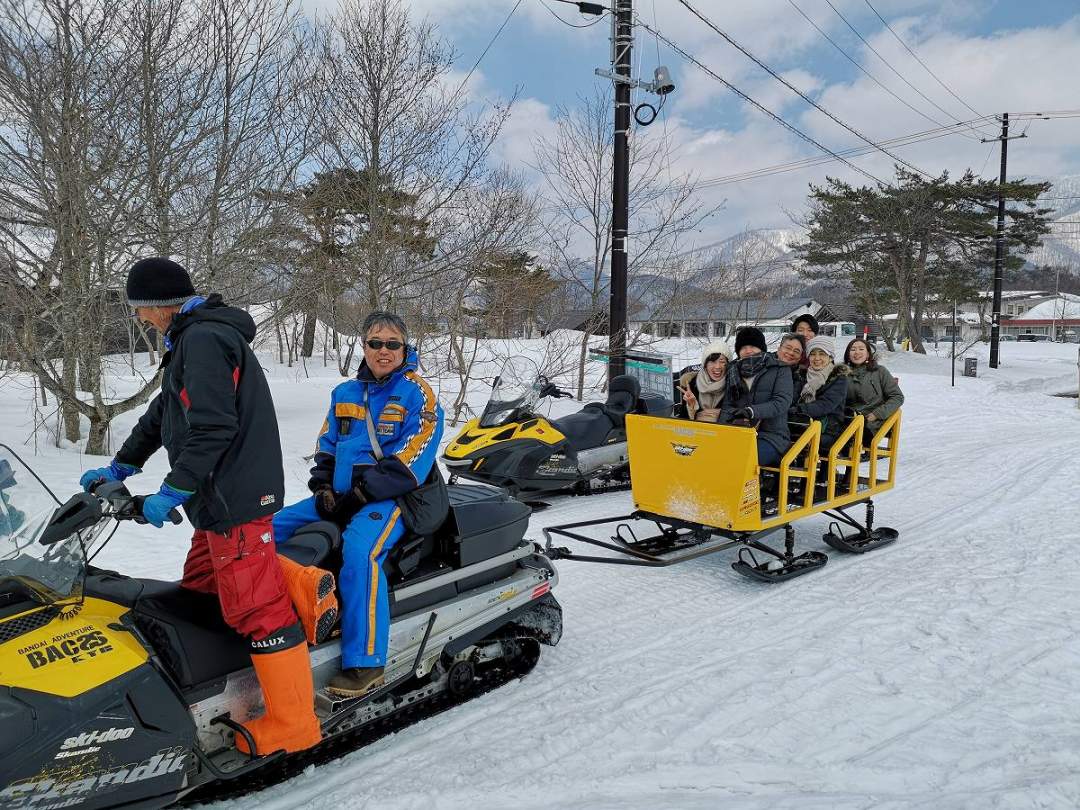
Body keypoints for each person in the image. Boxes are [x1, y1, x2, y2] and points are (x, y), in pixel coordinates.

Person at [78, 257, 324, 756]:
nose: (139, 319)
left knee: (259, 606)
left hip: (234, 496)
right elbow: (164, 412)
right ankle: (224, 686)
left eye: (139, 310)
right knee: (203, 585)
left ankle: (294, 721)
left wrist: (173, 490)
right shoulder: (190, 338)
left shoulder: (205, 339)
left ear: (156, 306)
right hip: (217, 497)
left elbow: (215, 428)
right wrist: (122, 467)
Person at [272, 311, 445, 699]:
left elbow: (412, 459)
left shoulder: (417, 392)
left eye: (392, 344)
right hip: (343, 493)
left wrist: (361, 495)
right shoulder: (345, 394)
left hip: (395, 497)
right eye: (375, 343)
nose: (383, 351)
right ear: (363, 346)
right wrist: (322, 489)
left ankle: (366, 663)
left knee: (360, 551)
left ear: (405, 348)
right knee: (267, 530)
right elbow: (327, 445)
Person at [720, 326, 793, 467]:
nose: (748, 351)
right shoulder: (733, 371)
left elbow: (781, 402)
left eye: (753, 346)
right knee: (716, 454)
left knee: (743, 458)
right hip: (740, 434)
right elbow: (728, 406)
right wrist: (722, 431)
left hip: (771, 436)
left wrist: (751, 411)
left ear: (761, 348)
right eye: (743, 347)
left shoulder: (780, 369)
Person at [792, 336, 850, 450]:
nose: (817, 358)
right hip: (801, 424)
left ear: (830, 356)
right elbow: (792, 397)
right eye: (813, 354)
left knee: (800, 442)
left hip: (828, 428)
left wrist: (799, 409)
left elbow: (826, 404)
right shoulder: (801, 375)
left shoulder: (839, 378)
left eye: (822, 354)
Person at [843, 338, 904, 429]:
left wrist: (877, 414)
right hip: (847, 419)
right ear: (848, 354)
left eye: (861, 349)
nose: (857, 352)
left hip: (872, 421)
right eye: (853, 349)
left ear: (868, 354)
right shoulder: (842, 373)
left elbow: (897, 397)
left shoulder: (879, 371)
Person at [675, 340, 733, 422]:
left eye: (722, 361)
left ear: (728, 365)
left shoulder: (734, 385)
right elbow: (683, 421)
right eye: (712, 361)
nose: (717, 366)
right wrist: (691, 408)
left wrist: (719, 414)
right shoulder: (691, 384)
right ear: (705, 365)